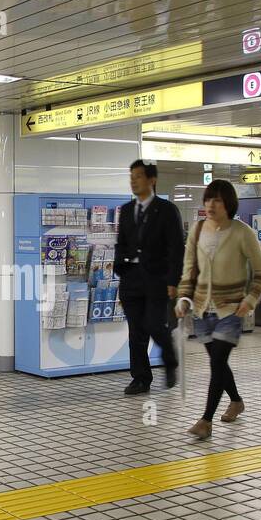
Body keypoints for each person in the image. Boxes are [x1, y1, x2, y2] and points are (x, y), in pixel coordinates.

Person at [175, 179, 261, 439]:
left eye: (217, 200)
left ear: (228, 203)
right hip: (203, 310)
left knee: (217, 362)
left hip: (231, 309)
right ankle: (236, 401)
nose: (211, 205)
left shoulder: (242, 232)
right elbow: (189, 269)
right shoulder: (196, 230)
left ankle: (206, 421)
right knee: (219, 363)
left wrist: (250, 299)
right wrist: (184, 298)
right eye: (208, 199)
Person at [114, 160, 184, 395]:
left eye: (139, 176)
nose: (134, 181)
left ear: (152, 180)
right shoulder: (125, 210)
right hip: (131, 279)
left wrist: (173, 281)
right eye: (131, 176)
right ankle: (141, 378)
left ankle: (170, 357)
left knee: (154, 324)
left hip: (156, 279)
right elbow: (121, 244)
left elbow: (176, 248)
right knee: (136, 331)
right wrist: (120, 268)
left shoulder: (166, 210)